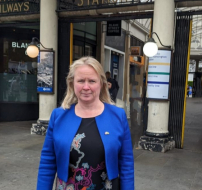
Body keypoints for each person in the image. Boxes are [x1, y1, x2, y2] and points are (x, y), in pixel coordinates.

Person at [37, 57, 134, 190]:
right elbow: (48, 161)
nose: (86, 87)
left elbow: (126, 163)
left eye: (92, 81)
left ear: (101, 83)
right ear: (72, 83)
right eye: (81, 81)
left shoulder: (118, 116)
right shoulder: (58, 116)